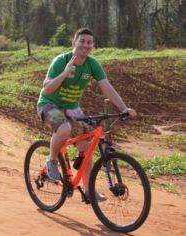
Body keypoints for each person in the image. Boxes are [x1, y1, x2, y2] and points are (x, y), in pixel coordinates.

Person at [37, 28, 136, 201]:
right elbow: (47, 88)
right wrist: (65, 73)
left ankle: (88, 191)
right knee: (64, 128)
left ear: (93, 45)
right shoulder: (62, 60)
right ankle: (51, 160)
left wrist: (123, 108)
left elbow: (106, 86)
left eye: (89, 42)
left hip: (72, 107)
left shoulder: (92, 64)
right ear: (74, 43)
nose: (85, 45)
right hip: (49, 104)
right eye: (81, 41)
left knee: (87, 147)